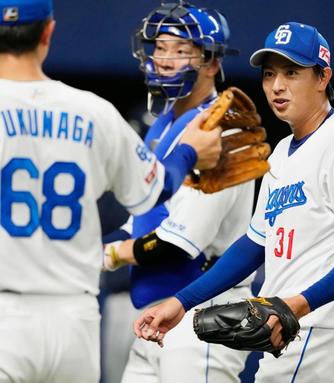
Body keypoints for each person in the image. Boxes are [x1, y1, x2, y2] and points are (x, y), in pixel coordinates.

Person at [133, 21, 334, 383]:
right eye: (269, 74)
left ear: (322, 78)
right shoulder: (283, 152)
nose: (277, 85)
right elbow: (254, 244)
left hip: (319, 330)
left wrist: (297, 304)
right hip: (307, 331)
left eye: (292, 72)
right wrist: (182, 301)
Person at [0, 0, 223, 381]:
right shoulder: (93, 111)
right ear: (49, 32)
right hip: (75, 319)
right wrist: (189, 153)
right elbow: (156, 190)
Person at [101, 2, 255, 383]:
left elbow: (177, 243)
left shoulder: (225, 128)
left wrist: (110, 254)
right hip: (155, 315)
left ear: (213, 64)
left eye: (182, 50)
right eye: (160, 48)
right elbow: (140, 219)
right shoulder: (161, 125)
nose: (166, 60)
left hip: (204, 312)